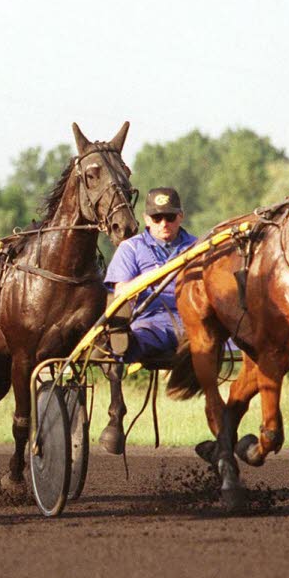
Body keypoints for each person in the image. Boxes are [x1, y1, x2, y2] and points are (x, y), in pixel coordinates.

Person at [99, 187, 197, 453]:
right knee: (123, 343)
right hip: (149, 320)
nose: (164, 223)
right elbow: (119, 292)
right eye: (157, 218)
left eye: (170, 217)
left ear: (181, 217)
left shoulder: (198, 247)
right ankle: (116, 412)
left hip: (192, 321)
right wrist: (158, 273)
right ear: (146, 219)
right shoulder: (131, 248)